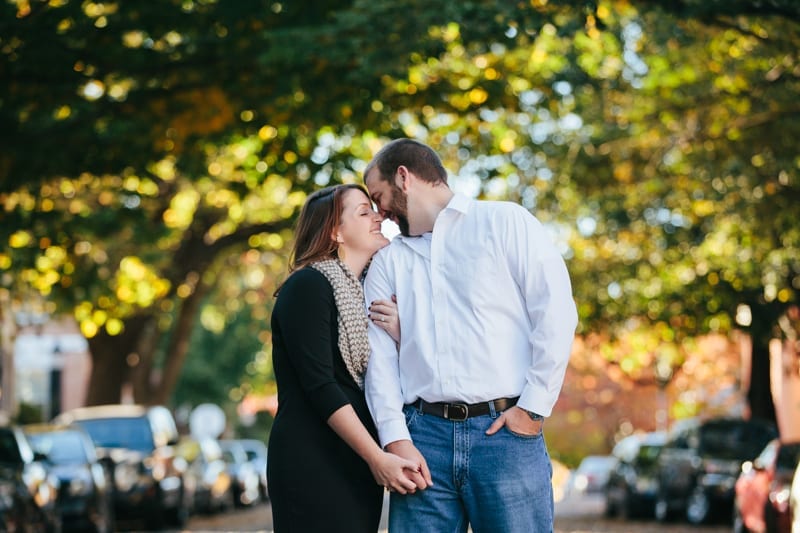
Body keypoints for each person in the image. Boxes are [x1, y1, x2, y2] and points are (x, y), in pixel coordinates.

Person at [362, 138, 579, 533]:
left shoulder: (505, 222)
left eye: (379, 197)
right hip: (422, 438)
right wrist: (395, 438)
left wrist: (532, 409)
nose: (380, 214)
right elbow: (379, 361)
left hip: (505, 435)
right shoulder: (387, 262)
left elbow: (556, 314)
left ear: (404, 177)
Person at [267, 184, 420, 533]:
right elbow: (322, 385)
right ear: (335, 231)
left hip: (352, 460)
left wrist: (401, 334)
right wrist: (377, 457)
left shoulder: (365, 294)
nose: (378, 216)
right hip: (313, 460)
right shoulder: (308, 287)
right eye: (363, 212)